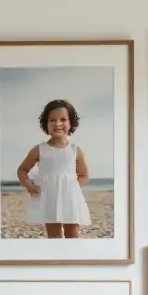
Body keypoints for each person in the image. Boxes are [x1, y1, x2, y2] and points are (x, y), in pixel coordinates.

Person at [16, 99, 91, 238]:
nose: (58, 124)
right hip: (49, 198)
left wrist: (72, 187)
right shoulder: (39, 149)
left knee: (73, 235)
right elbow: (22, 170)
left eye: (63, 119)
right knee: (54, 237)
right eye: (52, 120)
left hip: (70, 199)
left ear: (71, 123)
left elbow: (84, 175)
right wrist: (29, 186)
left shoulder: (75, 150)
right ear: (46, 124)